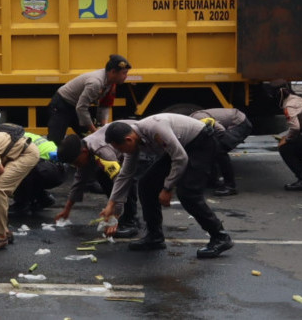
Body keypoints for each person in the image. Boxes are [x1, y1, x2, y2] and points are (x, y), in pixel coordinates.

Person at [101, 114, 233, 259]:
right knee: (146, 184)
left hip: (201, 143)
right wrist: (112, 205)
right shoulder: (132, 141)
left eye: (121, 148)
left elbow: (180, 158)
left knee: (188, 193)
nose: (122, 152)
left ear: (128, 139)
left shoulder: (156, 130)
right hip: (180, 148)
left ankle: (220, 237)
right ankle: (154, 236)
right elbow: (125, 175)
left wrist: (167, 188)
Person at [54, 127, 141, 238]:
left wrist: (114, 217)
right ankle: (124, 214)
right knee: (101, 174)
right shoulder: (84, 148)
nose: (76, 166)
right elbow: (79, 181)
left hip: (138, 144)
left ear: (84, 152)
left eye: (76, 162)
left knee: (127, 178)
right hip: (121, 153)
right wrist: (67, 210)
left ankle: (130, 221)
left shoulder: (102, 151)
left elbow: (121, 182)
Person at [47, 54, 131, 145]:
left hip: (77, 107)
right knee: (54, 142)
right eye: (124, 73)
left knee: (89, 139)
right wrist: (94, 131)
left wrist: (103, 129)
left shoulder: (110, 82)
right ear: (113, 72)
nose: (126, 76)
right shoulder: (95, 82)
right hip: (62, 104)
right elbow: (81, 108)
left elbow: (104, 106)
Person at [190, 108, 253, 196]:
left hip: (240, 123)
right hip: (231, 122)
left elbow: (221, 130)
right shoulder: (193, 125)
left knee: (220, 150)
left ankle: (230, 187)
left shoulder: (200, 120)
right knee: (210, 150)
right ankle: (213, 181)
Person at [9, 132, 66, 215]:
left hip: (48, 169)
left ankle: (21, 204)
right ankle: (42, 198)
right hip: (59, 169)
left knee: (16, 168)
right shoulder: (24, 134)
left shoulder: (14, 141)